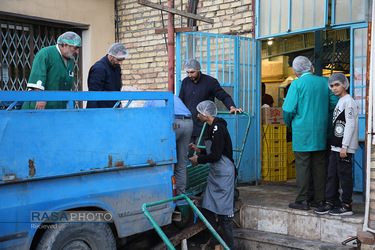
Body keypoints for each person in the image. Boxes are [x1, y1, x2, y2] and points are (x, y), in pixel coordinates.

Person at [282, 56, 332, 211]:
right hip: (321, 131)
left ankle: (303, 199)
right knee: (319, 165)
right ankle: (320, 200)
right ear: (311, 67)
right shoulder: (325, 82)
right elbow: (334, 104)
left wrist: (289, 122)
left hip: (302, 132)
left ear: (296, 71)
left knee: (303, 166)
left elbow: (288, 110)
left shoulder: (296, 84)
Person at [189, 100, 236, 250]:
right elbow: (215, 151)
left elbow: (216, 155)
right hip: (216, 174)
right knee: (207, 210)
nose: (197, 115)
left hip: (224, 173)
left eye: (199, 112)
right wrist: (200, 151)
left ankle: (229, 247)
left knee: (224, 217)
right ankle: (217, 243)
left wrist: (199, 160)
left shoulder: (218, 127)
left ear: (206, 113)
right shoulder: (211, 127)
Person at [314, 73, 358, 216]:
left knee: (344, 176)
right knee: (332, 174)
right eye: (332, 86)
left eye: (337, 85)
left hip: (344, 147)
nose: (334, 88)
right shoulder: (340, 101)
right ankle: (331, 202)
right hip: (336, 146)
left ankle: (346, 204)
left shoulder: (348, 101)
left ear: (345, 84)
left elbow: (350, 124)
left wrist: (345, 146)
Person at [179, 59, 242, 156]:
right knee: (187, 156)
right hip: (188, 126)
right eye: (187, 72)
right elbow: (180, 101)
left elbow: (224, 96)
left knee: (204, 155)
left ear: (199, 69)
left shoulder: (210, 82)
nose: (190, 75)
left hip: (204, 128)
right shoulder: (185, 82)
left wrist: (232, 107)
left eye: (192, 72)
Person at [143, 94, 193, 195]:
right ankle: (181, 195)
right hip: (188, 122)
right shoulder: (171, 96)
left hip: (174, 121)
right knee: (182, 163)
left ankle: (168, 196)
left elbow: (144, 119)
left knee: (169, 161)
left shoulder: (149, 101)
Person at [21, 31, 81, 110]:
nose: (77, 51)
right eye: (75, 48)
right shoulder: (45, 54)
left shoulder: (69, 59)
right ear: (66, 45)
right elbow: (38, 77)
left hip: (58, 107)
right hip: (39, 108)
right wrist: (40, 98)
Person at [86, 43, 129, 108]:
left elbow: (116, 88)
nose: (120, 63)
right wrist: (94, 114)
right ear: (111, 56)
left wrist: (119, 103)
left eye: (122, 60)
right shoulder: (99, 68)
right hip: (99, 110)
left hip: (112, 108)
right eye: (118, 60)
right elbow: (94, 94)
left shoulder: (117, 68)